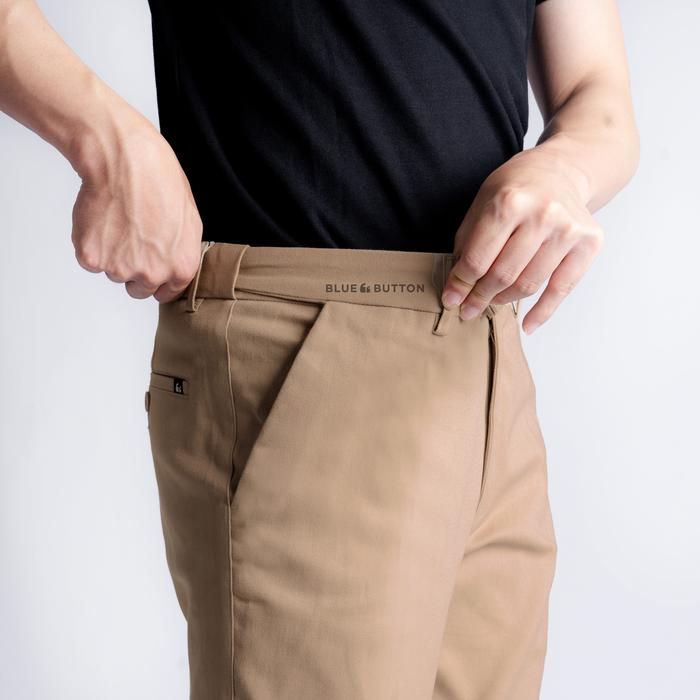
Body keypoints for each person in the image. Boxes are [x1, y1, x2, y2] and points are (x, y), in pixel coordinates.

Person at [0, 0, 639, 698]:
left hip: (491, 360)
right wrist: (108, 140)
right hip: (303, 345)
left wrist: (564, 171)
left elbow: (597, 92)